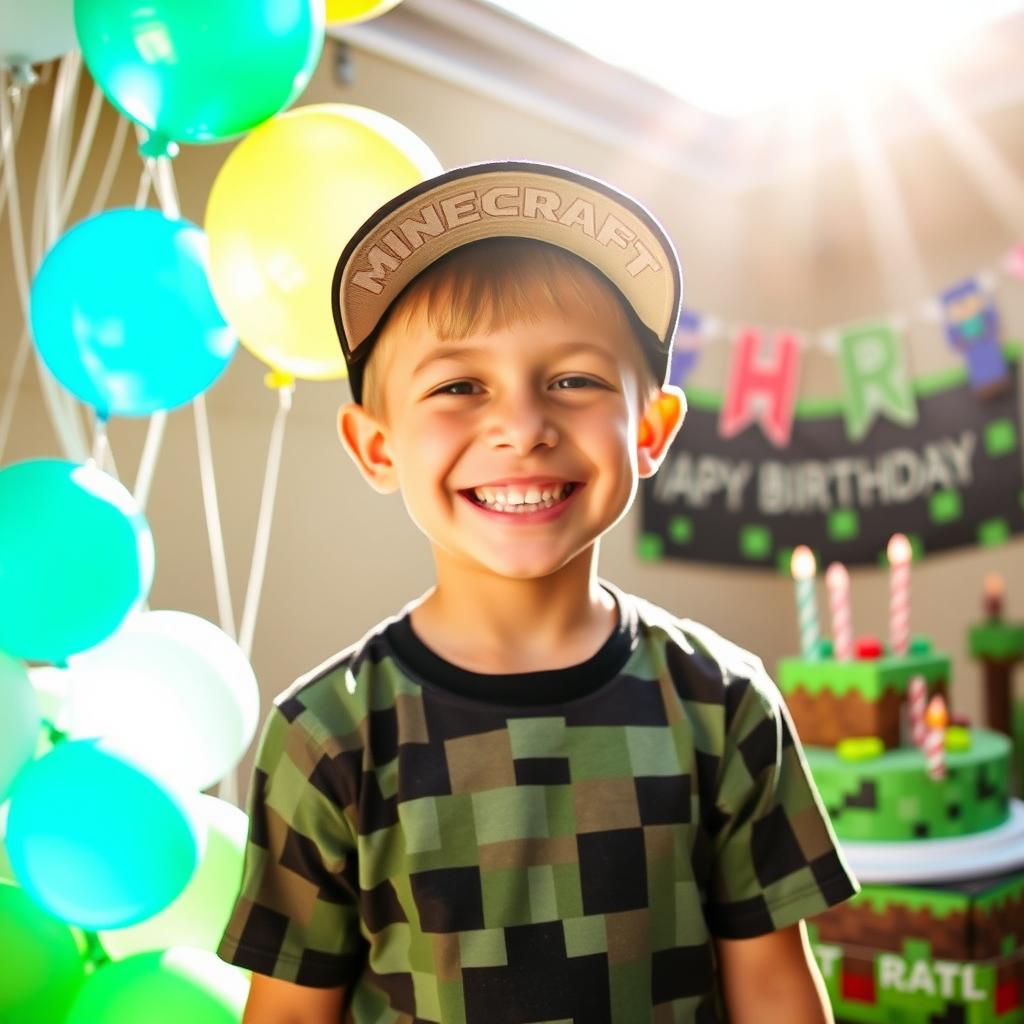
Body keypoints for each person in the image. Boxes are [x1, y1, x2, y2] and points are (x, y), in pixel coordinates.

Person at [217, 161, 859, 1023]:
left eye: (573, 380)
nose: (521, 425)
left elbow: (776, 992)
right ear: (376, 447)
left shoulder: (723, 702)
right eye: (458, 386)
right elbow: (293, 1013)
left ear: (651, 430)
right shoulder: (326, 737)